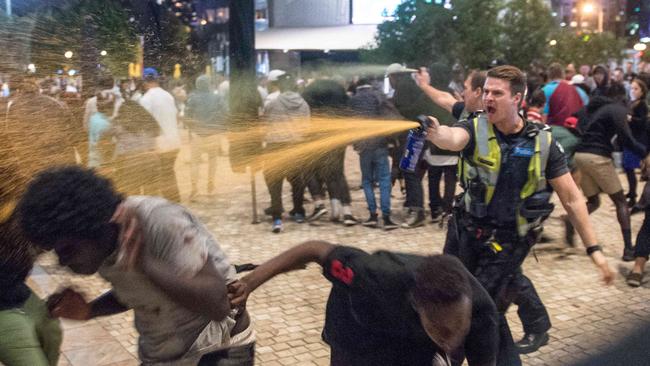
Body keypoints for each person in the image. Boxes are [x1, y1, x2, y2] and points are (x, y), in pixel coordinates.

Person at [424, 65, 614, 365]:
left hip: (505, 246)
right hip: (463, 236)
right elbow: (452, 139)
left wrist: (594, 250)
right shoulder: (474, 127)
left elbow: (572, 198)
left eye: (496, 93)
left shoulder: (543, 142)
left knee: (475, 310)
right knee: (465, 308)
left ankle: (450, 356)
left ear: (517, 98)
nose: (488, 98)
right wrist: (436, 133)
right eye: (485, 91)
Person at [17, 166, 255, 366]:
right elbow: (137, 294)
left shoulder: (157, 220)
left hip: (217, 350)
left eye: (67, 249)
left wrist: (145, 264)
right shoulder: (101, 242)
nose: (63, 261)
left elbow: (217, 305)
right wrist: (90, 311)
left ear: (94, 229)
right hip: (163, 355)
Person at [229, 241, 499, 366]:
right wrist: (250, 282)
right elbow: (313, 250)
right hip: (355, 331)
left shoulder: (482, 315)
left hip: (413, 344)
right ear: (418, 307)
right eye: (443, 332)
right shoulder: (373, 275)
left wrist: (445, 342)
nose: (451, 342)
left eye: (459, 330)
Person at [572, 82, 648, 260]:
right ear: (622, 97)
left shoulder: (600, 110)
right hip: (597, 157)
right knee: (621, 201)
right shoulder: (617, 110)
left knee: (593, 201)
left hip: (580, 156)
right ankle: (628, 249)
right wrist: (645, 153)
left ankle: (570, 220)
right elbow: (626, 139)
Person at [263, 73, 310, 233]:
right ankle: (298, 212)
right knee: (297, 181)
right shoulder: (304, 104)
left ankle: (277, 218)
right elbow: (307, 127)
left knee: (274, 182)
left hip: (275, 146)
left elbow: (265, 121)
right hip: (295, 146)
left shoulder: (273, 103)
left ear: (280, 87)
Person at [349, 77, 399, 230]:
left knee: (367, 181)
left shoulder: (353, 100)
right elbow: (388, 117)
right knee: (384, 180)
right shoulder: (378, 96)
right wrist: (391, 139)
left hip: (364, 145)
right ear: (370, 84)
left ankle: (372, 215)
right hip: (380, 144)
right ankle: (387, 216)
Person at [139, 67, 182, 202]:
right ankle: (174, 201)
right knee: (168, 172)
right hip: (174, 142)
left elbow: (144, 125)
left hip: (158, 144)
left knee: (156, 176)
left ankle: (163, 204)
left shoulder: (146, 99)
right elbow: (175, 116)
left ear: (144, 81)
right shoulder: (168, 96)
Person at [185, 75, 227, 199]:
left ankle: (194, 188)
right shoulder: (217, 97)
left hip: (197, 134)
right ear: (209, 84)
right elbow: (225, 112)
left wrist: (192, 128)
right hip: (214, 133)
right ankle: (210, 184)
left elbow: (187, 115)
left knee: (195, 162)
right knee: (213, 159)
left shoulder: (193, 98)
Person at [623, 78, 649, 207]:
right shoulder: (630, 103)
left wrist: (630, 119)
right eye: (631, 88)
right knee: (628, 168)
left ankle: (637, 196)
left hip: (637, 141)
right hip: (629, 139)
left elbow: (643, 123)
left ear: (642, 91)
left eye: (636, 88)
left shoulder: (642, 104)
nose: (633, 91)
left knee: (637, 168)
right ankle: (632, 194)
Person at [542, 63, 588, 127]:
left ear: (549, 76)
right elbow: (587, 112)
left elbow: (543, 117)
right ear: (563, 75)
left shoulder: (545, 90)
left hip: (553, 131)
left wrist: (542, 137)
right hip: (575, 132)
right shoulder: (579, 91)